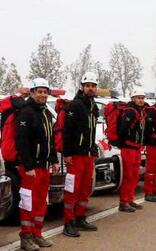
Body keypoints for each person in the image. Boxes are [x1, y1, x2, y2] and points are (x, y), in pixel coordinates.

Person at [16, 78, 58, 250]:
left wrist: (54, 160)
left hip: (44, 165)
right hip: (30, 168)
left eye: (45, 91)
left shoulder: (46, 113)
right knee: (28, 202)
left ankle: (37, 234)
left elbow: (50, 139)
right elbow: (22, 142)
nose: (42, 94)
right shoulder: (26, 113)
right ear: (32, 92)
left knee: (41, 201)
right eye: (39, 91)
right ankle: (25, 237)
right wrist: (28, 166)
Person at [63, 72, 99, 237]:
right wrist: (67, 152)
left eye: (93, 86)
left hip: (88, 154)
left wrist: (93, 148)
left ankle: (80, 217)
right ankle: (68, 223)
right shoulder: (76, 104)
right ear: (82, 87)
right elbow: (67, 130)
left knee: (85, 188)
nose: (90, 88)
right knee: (72, 189)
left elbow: (91, 131)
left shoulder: (93, 106)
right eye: (88, 86)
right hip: (75, 154)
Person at [117, 88, 146, 212]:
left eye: (142, 98)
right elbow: (123, 129)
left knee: (134, 175)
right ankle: (123, 202)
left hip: (136, 147)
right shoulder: (130, 111)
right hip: (128, 147)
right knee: (128, 175)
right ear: (133, 98)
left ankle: (130, 199)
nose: (141, 100)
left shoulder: (140, 111)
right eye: (138, 98)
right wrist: (123, 143)